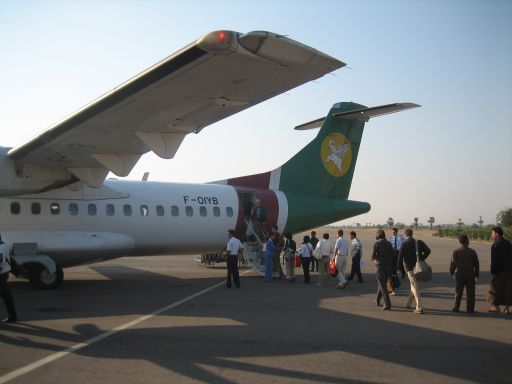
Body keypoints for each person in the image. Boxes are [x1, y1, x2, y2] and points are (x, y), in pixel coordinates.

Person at [398, 228, 431, 314]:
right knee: (413, 285)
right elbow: (428, 251)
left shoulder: (404, 244)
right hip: (418, 268)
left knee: (414, 286)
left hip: (410, 269)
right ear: (412, 234)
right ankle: (408, 303)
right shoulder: (418, 242)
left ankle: (419, 307)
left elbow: (400, 258)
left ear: (405, 235)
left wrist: (400, 268)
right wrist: (421, 258)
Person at [450, 234, 479, 313]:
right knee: (471, 293)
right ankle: (470, 309)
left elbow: (453, 264)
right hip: (470, 274)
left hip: (460, 274)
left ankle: (456, 307)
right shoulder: (472, 252)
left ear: (460, 242)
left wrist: (451, 272)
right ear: (467, 242)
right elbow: (476, 264)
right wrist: (477, 275)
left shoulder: (456, 252)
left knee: (458, 291)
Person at [487, 227, 512, 314]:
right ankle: (507, 308)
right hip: (509, 270)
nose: (492, 235)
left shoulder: (495, 245)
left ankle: (496, 307)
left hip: (499, 271)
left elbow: (494, 261)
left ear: (497, 234)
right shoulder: (508, 243)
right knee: (508, 289)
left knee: (495, 289)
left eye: (492, 233)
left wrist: (493, 273)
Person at [372, 230, 395, 310]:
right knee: (381, 284)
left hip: (380, 266)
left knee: (383, 285)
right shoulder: (389, 243)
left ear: (378, 235)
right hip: (388, 266)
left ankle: (387, 304)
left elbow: (373, 256)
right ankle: (377, 300)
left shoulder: (377, 243)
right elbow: (393, 254)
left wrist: (376, 259)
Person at [0, 234, 17, 323]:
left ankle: (13, 316)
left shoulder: (0, 249)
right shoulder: (3, 245)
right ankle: (13, 316)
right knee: (7, 297)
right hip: (4, 274)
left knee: (7, 297)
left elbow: (0, 265)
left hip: (1, 275)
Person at [388, 227, 404, 295]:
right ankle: (395, 273)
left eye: (394, 232)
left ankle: (403, 272)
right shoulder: (391, 238)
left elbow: (403, 244)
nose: (393, 233)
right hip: (393, 252)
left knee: (399, 263)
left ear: (396, 232)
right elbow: (389, 245)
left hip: (398, 252)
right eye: (392, 232)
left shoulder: (400, 237)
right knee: (394, 264)